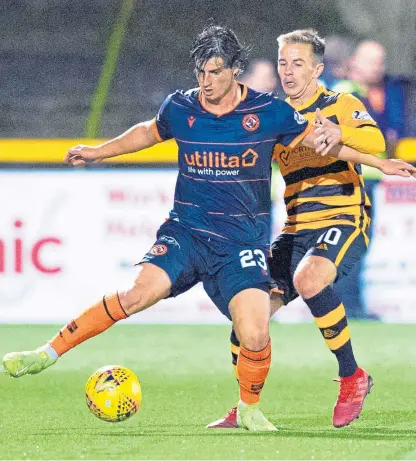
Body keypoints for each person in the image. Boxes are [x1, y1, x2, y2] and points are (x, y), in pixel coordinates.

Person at [2, 25, 319, 432]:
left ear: (235, 71)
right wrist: (99, 152)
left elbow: (321, 139)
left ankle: (248, 408)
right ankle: (47, 352)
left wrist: (378, 161)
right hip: (186, 232)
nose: (206, 81)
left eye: (216, 72)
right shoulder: (181, 107)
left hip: (241, 242)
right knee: (136, 294)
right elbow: (148, 132)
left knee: (255, 332)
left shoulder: (269, 112)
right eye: (200, 72)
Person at [207, 29, 416, 430]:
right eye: (283, 62)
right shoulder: (274, 116)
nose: (287, 70)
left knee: (310, 278)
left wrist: (343, 134)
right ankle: (247, 408)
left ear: (318, 69)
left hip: (345, 216)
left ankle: (352, 376)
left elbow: (373, 139)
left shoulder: (341, 102)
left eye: (297, 63)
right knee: (248, 316)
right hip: (296, 227)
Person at [333, 40, 407, 157]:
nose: (376, 68)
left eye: (380, 63)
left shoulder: (392, 91)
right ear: (354, 61)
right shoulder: (343, 92)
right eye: (371, 62)